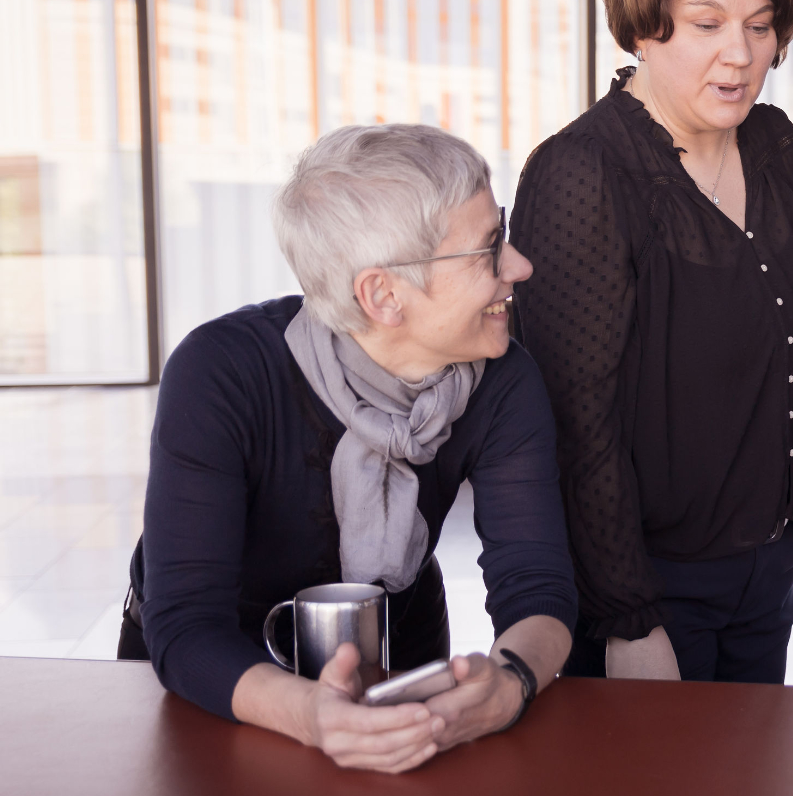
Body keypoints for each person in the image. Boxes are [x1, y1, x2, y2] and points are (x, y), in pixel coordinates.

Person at [121, 124, 576, 774]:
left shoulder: (504, 378)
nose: (519, 266)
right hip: (210, 683)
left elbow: (539, 589)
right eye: (488, 248)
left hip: (396, 662)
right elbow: (188, 625)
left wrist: (508, 684)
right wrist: (311, 713)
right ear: (383, 295)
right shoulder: (220, 373)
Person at [510, 0, 793, 684]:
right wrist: (629, 615)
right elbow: (575, 421)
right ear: (641, 29)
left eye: (760, 26)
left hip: (768, 564)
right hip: (656, 585)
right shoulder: (582, 171)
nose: (741, 54)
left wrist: (790, 541)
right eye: (706, 24)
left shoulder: (770, 142)